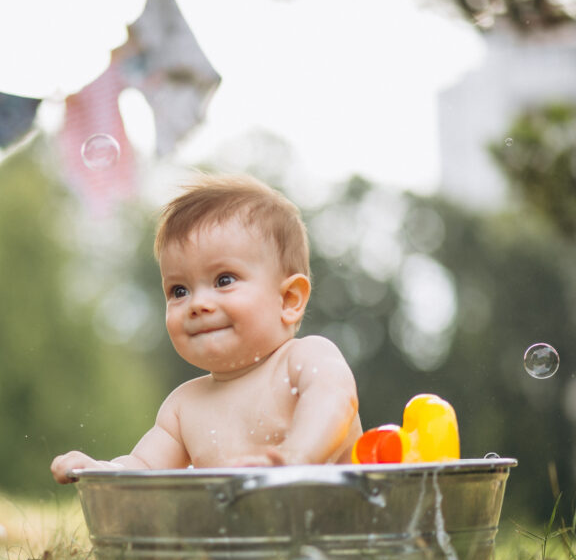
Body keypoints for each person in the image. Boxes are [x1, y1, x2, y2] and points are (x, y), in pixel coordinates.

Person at [50, 173, 362, 483]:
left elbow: (333, 400)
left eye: (223, 280)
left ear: (288, 300)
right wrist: (101, 471)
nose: (197, 303)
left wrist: (297, 456)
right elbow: (144, 466)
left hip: (334, 520)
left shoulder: (305, 358)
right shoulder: (183, 406)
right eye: (179, 291)